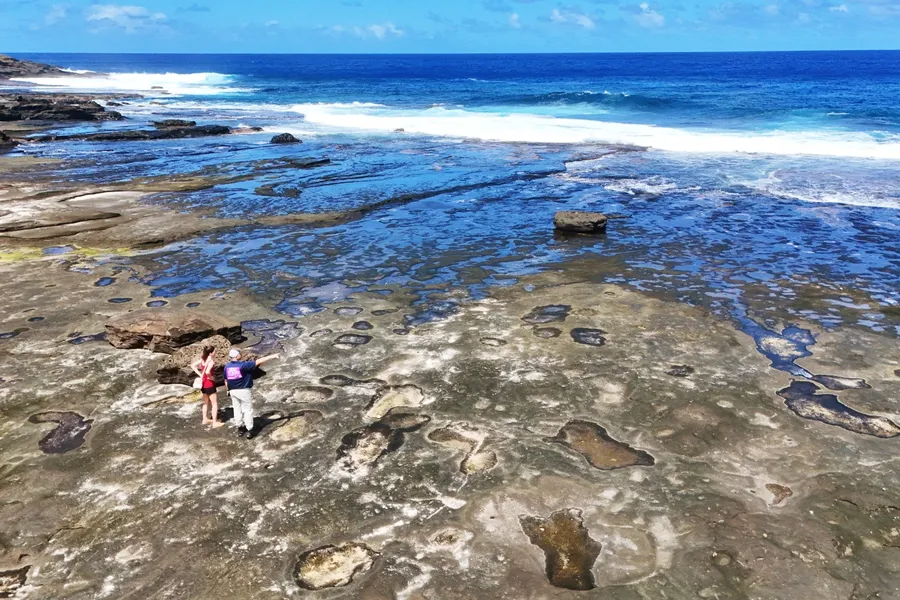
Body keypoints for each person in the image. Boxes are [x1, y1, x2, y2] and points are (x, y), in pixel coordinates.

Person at [224, 348, 280, 439]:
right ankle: (250, 430)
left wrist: (228, 390)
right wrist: (273, 356)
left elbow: (226, 380)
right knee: (247, 410)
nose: (240, 354)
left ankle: (240, 428)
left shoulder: (227, 367)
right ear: (237, 355)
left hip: (233, 391)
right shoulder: (243, 365)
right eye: (239, 353)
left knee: (237, 409)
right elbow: (258, 361)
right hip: (244, 390)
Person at [191, 346, 224, 429]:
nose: (215, 352)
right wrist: (212, 378)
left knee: (206, 402)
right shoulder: (211, 362)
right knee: (214, 403)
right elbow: (208, 371)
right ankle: (215, 422)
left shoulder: (203, 359)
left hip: (203, 384)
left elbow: (193, 365)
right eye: (214, 351)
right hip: (209, 384)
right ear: (211, 353)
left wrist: (200, 375)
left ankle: (204, 419)